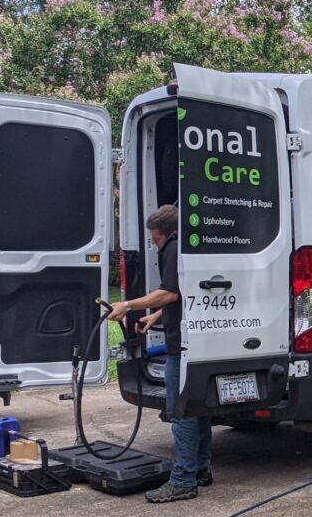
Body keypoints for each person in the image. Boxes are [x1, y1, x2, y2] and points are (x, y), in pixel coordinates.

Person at [107, 204, 213, 503]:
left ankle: (183, 480)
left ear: (167, 233)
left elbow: (170, 292)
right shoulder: (189, 245)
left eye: (155, 238)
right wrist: (154, 317)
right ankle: (202, 469)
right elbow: (181, 292)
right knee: (197, 409)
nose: (153, 242)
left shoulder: (173, 248)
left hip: (180, 345)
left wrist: (127, 306)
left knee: (179, 412)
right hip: (195, 340)